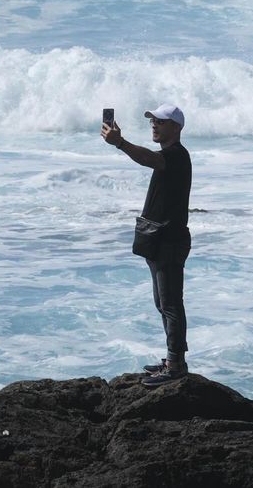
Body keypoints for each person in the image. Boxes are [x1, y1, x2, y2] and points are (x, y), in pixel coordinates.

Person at [101, 104, 192, 386]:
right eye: (153, 120)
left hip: (169, 240)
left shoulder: (176, 155)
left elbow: (147, 159)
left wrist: (120, 144)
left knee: (170, 303)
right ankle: (173, 359)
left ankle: (175, 365)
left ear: (176, 127)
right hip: (158, 239)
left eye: (161, 122)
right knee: (162, 303)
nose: (154, 124)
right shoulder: (169, 155)